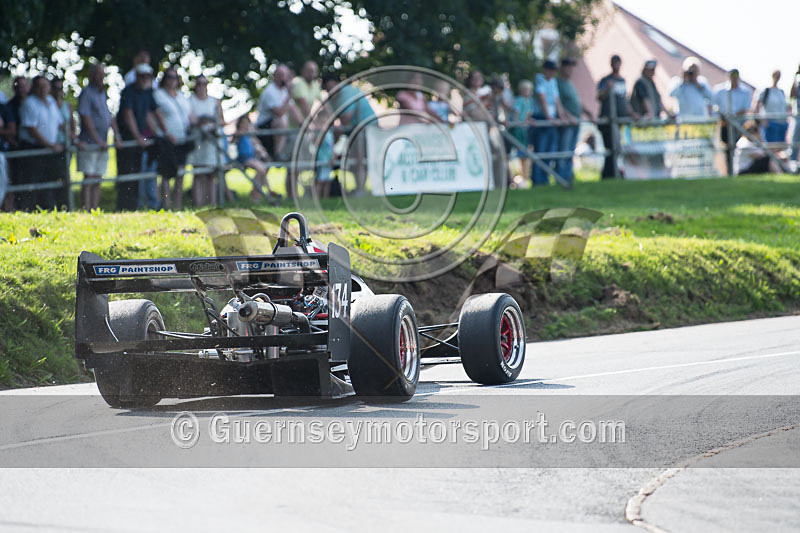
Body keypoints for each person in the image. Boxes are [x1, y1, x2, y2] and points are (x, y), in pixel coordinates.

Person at [322, 73, 376, 195]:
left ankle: (360, 189)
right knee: (357, 160)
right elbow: (330, 119)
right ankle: (359, 188)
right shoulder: (332, 99)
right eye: (328, 88)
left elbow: (346, 118)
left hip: (365, 128)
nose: (331, 90)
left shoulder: (346, 92)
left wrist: (337, 133)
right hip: (354, 131)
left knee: (360, 159)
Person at [116, 63, 160, 211]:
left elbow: (149, 114)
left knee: (145, 173)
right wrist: (137, 137)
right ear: (137, 76)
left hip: (140, 141)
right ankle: (131, 206)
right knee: (129, 175)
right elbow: (128, 115)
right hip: (128, 141)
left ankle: (145, 205)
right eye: (143, 76)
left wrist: (160, 134)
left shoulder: (147, 93)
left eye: (148, 76)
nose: (145, 79)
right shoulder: (128, 92)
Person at [17, 75, 64, 210]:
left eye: (45, 85)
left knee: (50, 181)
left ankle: (50, 209)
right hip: (34, 149)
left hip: (49, 150)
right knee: (33, 183)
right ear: (34, 88)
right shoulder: (29, 103)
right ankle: (28, 210)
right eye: (40, 86)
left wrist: (72, 139)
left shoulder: (51, 101)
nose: (43, 89)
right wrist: (49, 145)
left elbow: (60, 124)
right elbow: (31, 129)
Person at [77, 63, 119, 211]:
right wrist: (97, 139)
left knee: (97, 177)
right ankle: (86, 209)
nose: (101, 77)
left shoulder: (102, 93)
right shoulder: (87, 93)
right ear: (92, 75)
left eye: (103, 74)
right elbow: (86, 117)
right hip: (89, 143)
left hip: (102, 143)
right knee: (88, 178)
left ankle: (94, 209)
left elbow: (108, 116)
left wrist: (116, 135)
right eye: (98, 74)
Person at [153, 67, 192, 209]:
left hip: (182, 140)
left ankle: (178, 205)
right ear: (164, 79)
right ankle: (166, 205)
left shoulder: (181, 96)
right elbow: (156, 114)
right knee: (166, 173)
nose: (172, 80)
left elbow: (189, 117)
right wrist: (166, 133)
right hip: (167, 140)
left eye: (175, 77)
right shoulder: (158, 95)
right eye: (169, 77)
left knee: (180, 173)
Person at [187, 74, 224, 206]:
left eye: (204, 83)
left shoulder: (215, 101)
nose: (202, 86)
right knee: (198, 174)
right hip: (198, 141)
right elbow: (190, 120)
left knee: (210, 174)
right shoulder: (190, 101)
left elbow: (221, 120)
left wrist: (213, 125)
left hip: (211, 142)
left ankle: (212, 204)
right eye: (199, 84)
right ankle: (198, 203)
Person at [597, 54, 636, 179]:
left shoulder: (622, 81)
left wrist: (633, 114)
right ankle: (608, 174)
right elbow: (599, 97)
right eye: (614, 63)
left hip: (620, 121)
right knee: (610, 147)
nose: (616, 65)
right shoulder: (605, 80)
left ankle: (615, 173)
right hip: (608, 120)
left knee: (618, 148)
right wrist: (607, 89)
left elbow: (624, 101)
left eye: (618, 63)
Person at [256, 64, 303, 162]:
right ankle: (278, 153)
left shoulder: (284, 91)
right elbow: (279, 113)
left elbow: (294, 110)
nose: (284, 78)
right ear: (275, 76)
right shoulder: (270, 91)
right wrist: (289, 95)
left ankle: (281, 154)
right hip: (265, 129)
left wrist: (303, 124)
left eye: (286, 75)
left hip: (278, 132)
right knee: (281, 121)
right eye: (281, 75)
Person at [557, 57, 593, 183]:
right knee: (564, 150)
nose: (571, 69)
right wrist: (569, 117)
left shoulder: (570, 83)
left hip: (575, 122)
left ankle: (568, 177)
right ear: (562, 67)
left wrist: (588, 113)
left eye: (572, 67)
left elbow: (577, 102)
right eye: (568, 66)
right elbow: (558, 104)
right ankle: (561, 178)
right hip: (567, 123)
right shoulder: (558, 83)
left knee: (570, 150)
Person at [713, 69, 752, 175]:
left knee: (737, 148)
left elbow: (746, 109)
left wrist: (733, 117)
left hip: (739, 125)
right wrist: (723, 119)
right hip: (724, 125)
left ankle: (737, 171)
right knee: (727, 150)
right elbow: (715, 108)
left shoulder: (745, 91)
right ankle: (728, 172)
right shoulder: (719, 90)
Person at [234, 114, 279, 203]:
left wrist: (265, 155)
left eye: (247, 123)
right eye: (243, 123)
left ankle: (256, 192)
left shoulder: (250, 136)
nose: (245, 125)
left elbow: (258, 145)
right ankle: (267, 191)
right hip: (244, 159)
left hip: (251, 158)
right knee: (261, 169)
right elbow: (233, 140)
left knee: (261, 170)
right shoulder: (239, 134)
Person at [51, 78, 79, 207]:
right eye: (56, 88)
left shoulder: (67, 106)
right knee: (54, 176)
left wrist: (72, 138)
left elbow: (71, 126)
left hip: (66, 145)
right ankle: (55, 204)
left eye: (60, 88)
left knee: (65, 176)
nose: (58, 91)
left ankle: (65, 204)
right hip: (53, 146)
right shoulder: (50, 105)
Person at [755, 70, 790, 145]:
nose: (777, 77)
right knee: (771, 148)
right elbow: (756, 106)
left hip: (782, 124)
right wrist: (762, 120)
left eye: (779, 76)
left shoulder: (781, 92)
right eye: (776, 75)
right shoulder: (765, 90)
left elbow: (785, 107)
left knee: (780, 149)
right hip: (770, 124)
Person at [791, 65, 800, 163]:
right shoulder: (797, 80)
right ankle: (792, 161)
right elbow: (792, 95)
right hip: (798, 115)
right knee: (795, 140)